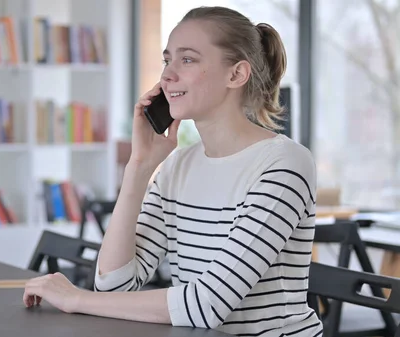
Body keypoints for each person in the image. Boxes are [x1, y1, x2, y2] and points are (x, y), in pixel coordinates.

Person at [23, 5, 323, 336]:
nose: (167, 75)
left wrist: (76, 299)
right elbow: (114, 288)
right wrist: (139, 167)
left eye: (188, 59)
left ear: (236, 74)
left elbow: (206, 305)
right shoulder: (179, 165)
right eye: (167, 60)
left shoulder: (284, 164)